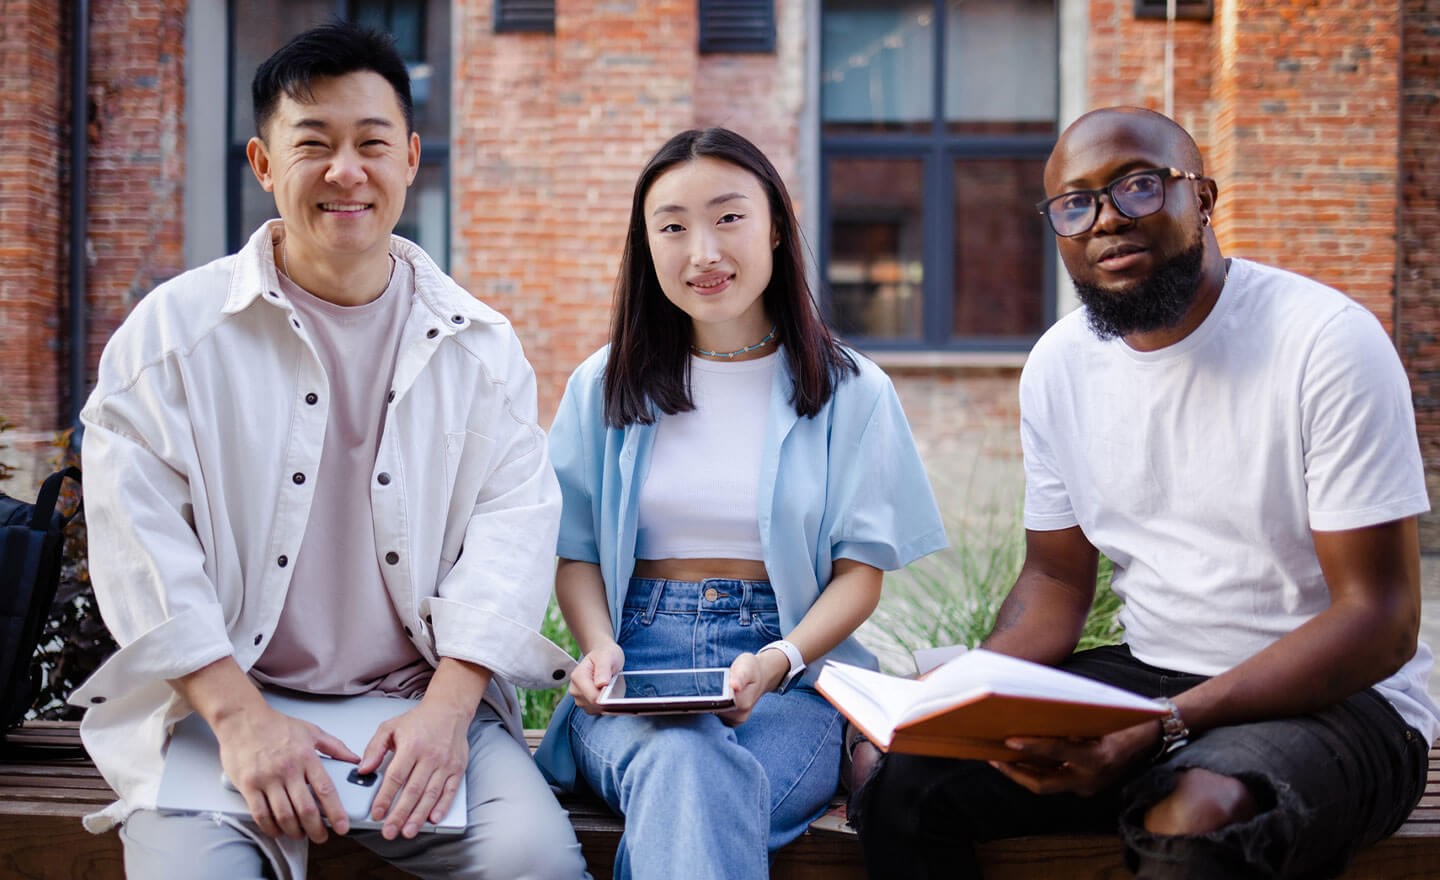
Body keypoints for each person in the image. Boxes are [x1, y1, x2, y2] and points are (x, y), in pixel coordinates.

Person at [852, 106, 1439, 879]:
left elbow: (1380, 621)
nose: (1106, 220)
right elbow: (1056, 580)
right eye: (1076, 203)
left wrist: (1167, 724)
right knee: (903, 787)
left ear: (1203, 197)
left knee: (1193, 823)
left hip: (1341, 701)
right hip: (1155, 675)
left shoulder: (1325, 342)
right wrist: (967, 697)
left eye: (1137, 186)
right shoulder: (1060, 365)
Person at [70, 22, 589, 880]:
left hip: (421, 703)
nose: (346, 172)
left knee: (537, 864)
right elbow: (139, 545)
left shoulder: (481, 347)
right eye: (313, 145)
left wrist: (449, 709)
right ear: (264, 164)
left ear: (412, 157)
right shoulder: (171, 336)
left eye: (372, 144)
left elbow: (513, 534)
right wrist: (240, 720)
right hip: (222, 706)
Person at [531, 127, 947, 879]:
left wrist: (780, 659)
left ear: (778, 227)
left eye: (728, 218)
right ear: (647, 244)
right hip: (635, 670)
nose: (704, 253)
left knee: (690, 785)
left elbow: (860, 574)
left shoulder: (854, 390)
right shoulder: (602, 386)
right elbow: (578, 552)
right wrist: (599, 650)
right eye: (673, 227)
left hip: (793, 674)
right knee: (687, 765)